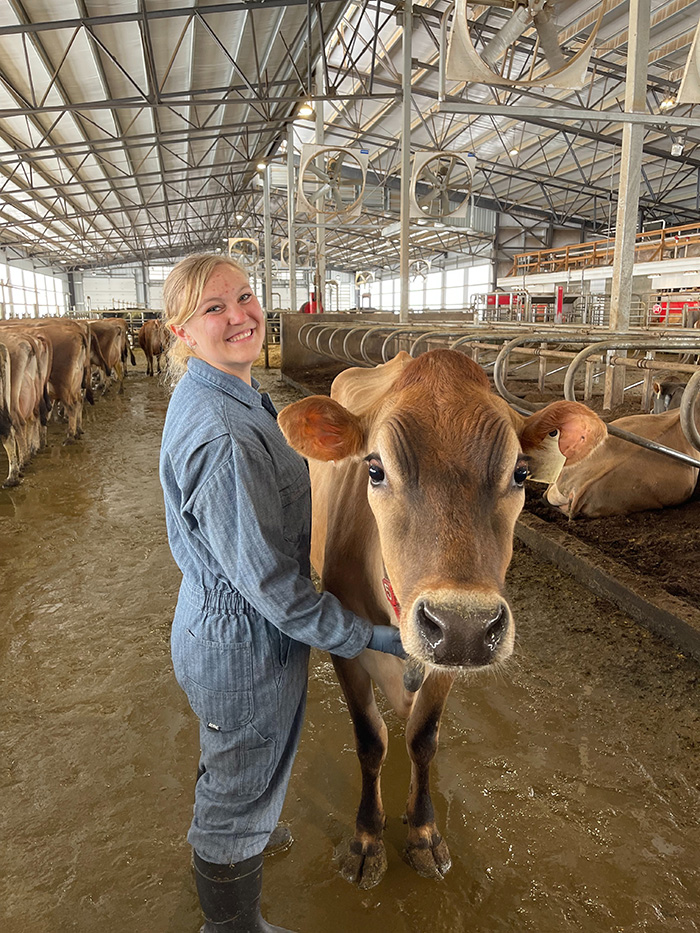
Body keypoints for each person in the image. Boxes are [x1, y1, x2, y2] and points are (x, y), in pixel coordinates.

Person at [158, 253, 405, 933]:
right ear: (181, 332)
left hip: (221, 623)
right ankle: (234, 922)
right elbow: (279, 593)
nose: (240, 315)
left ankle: (249, 830)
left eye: (244, 296)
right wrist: (377, 635)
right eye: (214, 308)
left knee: (236, 752)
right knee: (234, 792)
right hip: (243, 644)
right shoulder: (224, 433)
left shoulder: (226, 390)